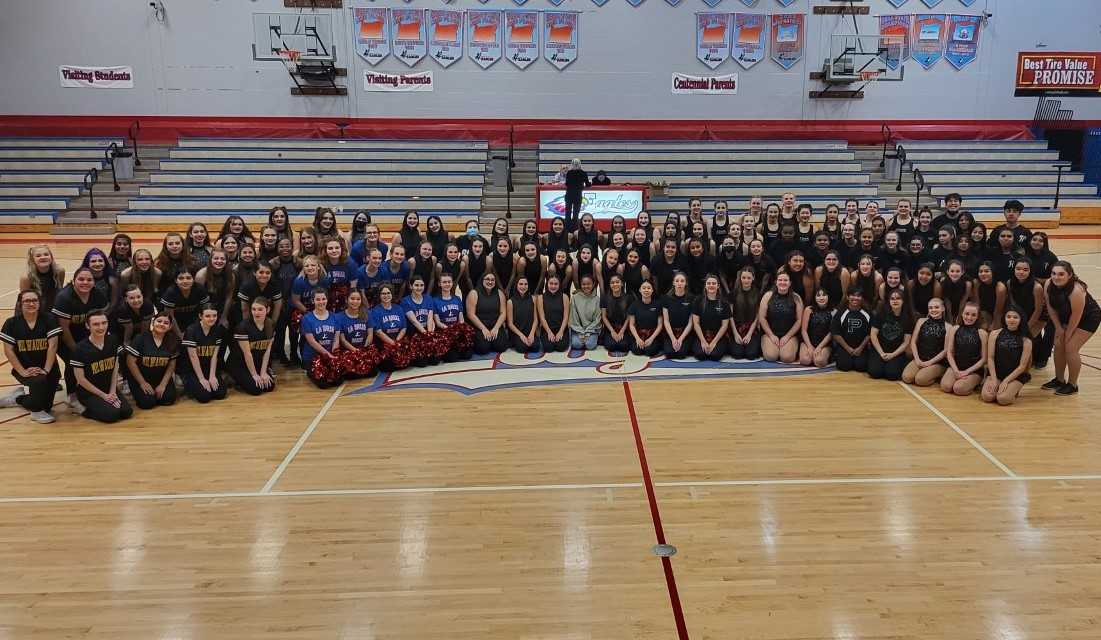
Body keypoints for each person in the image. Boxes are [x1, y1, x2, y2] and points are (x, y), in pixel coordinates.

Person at [51, 267, 109, 413]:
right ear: (73, 281)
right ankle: (72, 397)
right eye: (81, 279)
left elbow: (101, 319)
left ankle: (91, 389)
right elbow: (64, 328)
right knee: (73, 362)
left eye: (89, 280)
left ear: (94, 282)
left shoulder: (97, 294)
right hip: (65, 337)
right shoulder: (64, 297)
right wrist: (76, 349)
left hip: (86, 335)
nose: (85, 282)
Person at [0, 290, 62, 423]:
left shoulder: (49, 319)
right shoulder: (11, 323)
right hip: (25, 368)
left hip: (49, 368)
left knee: (46, 406)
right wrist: (22, 371)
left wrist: (46, 370)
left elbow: (53, 346)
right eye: (27, 301)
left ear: (39, 303)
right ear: (20, 304)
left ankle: (18, 398)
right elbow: (8, 350)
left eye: (34, 300)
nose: (31, 304)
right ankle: (36, 413)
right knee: (38, 386)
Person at [1042, 261, 1101, 396]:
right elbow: (1051, 308)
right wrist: (1058, 328)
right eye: (1054, 273)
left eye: (1061, 274)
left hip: (1087, 319)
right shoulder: (1048, 284)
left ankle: (1073, 385)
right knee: (1058, 345)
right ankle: (1059, 380)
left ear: (1070, 275)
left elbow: (1076, 316)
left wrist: (1067, 335)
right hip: (1065, 316)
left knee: (1070, 348)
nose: (1056, 277)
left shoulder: (1076, 291)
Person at [68, 310, 132, 423]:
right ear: (87, 326)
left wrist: (113, 391)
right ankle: (82, 410)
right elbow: (80, 380)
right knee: (112, 415)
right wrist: (103, 396)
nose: (101, 327)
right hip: (89, 393)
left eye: (104, 323)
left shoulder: (113, 340)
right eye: (96, 324)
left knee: (126, 412)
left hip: (108, 388)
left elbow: (115, 368)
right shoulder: (80, 348)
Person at [124, 313, 179, 409]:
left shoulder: (173, 340)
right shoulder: (140, 338)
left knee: (168, 399)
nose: (162, 324)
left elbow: (171, 365)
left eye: (166, 323)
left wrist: (163, 384)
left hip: (160, 377)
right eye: (159, 321)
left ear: (170, 326)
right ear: (153, 322)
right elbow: (130, 362)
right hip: (141, 377)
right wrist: (142, 383)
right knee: (147, 403)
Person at [982, 307, 1033, 406]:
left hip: (1014, 376)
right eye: (1008, 317)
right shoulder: (994, 334)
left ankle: (1014, 390)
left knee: (1002, 399)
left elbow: (1022, 366)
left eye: (1015, 317)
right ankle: (1002, 386)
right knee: (987, 397)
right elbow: (990, 358)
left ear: (1021, 319)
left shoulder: (1026, 341)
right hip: (997, 373)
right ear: (1004, 318)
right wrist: (994, 379)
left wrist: (1006, 381)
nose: (1011, 319)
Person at [1008, 256, 1051, 369]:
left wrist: (1026, 326)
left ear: (1030, 271)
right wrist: (1017, 321)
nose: (1021, 272)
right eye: (1018, 269)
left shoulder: (1037, 287)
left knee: (1028, 337)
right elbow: (1013, 304)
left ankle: (1034, 362)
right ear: (1014, 269)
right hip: (1023, 313)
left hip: (1040, 315)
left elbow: (1038, 310)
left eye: (1025, 269)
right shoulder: (1009, 283)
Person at [227, 298, 276, 395]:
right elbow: (247, 354)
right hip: (240, 364)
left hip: (256, 362)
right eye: (254, 309)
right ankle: (234, 378)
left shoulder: (271, 324)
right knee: (256, 389)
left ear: (268, 310)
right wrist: (254, 375)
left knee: (269, 386)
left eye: (260, 309)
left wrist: (263, 372)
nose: (256, 312)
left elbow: (267, 351)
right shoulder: (242, 327)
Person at [180, 305, 228, 403]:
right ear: (200, 316)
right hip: (192, 369)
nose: (212, 319)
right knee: (204, 397)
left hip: (207, 367)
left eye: (214, 316)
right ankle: (186, 383)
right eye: (208, 316)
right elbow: (193, 357)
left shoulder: (217, 330)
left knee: (220, 394)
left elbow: (214, 356)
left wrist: (212, 376)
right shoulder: (191, 330)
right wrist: (201, 379)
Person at [940, 301, 988, 396]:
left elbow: (984, 359)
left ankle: (976, 382)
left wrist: (967, 372)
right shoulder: (955, 329)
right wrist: (955, 370)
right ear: (962, 314)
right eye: (967, 314)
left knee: (958, 389)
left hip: (973, 370)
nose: (969, 317)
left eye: (973, 315)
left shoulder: (982, 333)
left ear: (977, 317)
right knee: (946, 386)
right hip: (956, 366)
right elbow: (949, 352)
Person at [299, 289, 343, 388]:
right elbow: (312, 342)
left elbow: (336, 339)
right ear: (313, 301)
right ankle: (309, 372)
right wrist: (327, 355)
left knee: (338, 381)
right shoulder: (307, 318)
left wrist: (333, 355)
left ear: (327, 300)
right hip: (313, 357)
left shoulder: (335, 317)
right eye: (318, 299)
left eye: (323, 299)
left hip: (330, 355)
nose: (321, 302)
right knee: (323, 384)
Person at [867, 289, 913, 381]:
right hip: (880, 350)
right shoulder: (881, 314)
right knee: (875, 372)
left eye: (898, 298)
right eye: (892, 299)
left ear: (903, 301)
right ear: (889, 301)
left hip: (896, 352)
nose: (895, 301)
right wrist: (881, 353)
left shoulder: (908, 318)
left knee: (892, 375)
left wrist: (892, 355)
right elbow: (873, 335)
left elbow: (906, 342)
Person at [903, 297, 949, 386]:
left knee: (920, 380)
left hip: (936, 362)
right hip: (920, 358)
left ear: (943, 308)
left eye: (936, 307)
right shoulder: (921, 321)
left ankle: (939, 374)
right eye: (930, 308)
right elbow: (913, 342)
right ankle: (924, 370)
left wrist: (929, 363)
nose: (933, 310)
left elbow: (945, 351)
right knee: (907, 377)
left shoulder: (948, 327)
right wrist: (917, 359)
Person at [402, 275, 443, 367]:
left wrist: (430, 334)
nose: (419, 288)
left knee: (435, 361)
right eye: (416, 285)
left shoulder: (428, 298)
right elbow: (414, 321)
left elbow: (430, 317)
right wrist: (425, 334)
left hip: (427, 330)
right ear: (411, 286)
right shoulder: (405, 301)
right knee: (422, 363)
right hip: (415, 332)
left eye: (421, 285)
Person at [431, 274, 474, 361]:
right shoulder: (434, 300)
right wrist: (449, 330)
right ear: (439, 284)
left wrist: (458, 330)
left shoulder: (457, 299)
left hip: (457, 332)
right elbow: (438, 322)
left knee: (467, 355)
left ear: (452, 283)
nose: (447, 284)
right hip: (444, 332)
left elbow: (461, 319)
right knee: (452, 358)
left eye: (449, 282)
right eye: (444, 282)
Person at [466, 272, 509, 355]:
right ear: (482, 280)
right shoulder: (474, 293)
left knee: (501, 347)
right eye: (487, 279)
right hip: (480, 326)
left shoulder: (500, 293)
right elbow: (470, 314)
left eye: (492, 280)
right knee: (483, 349)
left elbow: (503, 313)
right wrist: (484, 329)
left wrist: (496, 328)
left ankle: (492, 341)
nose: (490, 282)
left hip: (495, 325)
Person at [159, 269, 210, 339]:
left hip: (195, 322)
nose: (185, 281)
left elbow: (206, 312)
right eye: (181, 278)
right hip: (175, 324)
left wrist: (200, 330)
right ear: (176, 281)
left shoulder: (200, 289)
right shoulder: (170, 293)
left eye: (188, 278)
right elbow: (170, 317)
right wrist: (180, 335)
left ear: (193, 279)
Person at [832, 288, 872, 372]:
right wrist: (848, 348)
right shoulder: (840, 313)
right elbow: (836, 333)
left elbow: (870, 333)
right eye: (853, 295)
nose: (855, 298)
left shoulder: (867, 313)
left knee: (861, 366)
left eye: (858, 296)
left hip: (861, 347)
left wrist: (860, 348)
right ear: (847, 297)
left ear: (862, 298)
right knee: (844, 366)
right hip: (845, 346)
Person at [691, 275, 730, 361]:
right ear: (705, 285)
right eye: (708, 283)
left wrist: (714, 342)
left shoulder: (724, 303)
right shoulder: (698, 301)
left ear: (718, 286)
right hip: (702, 335)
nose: (711, 285)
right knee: (700, 355)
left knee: (715, 356)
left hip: (718, 336)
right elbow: (696, 323)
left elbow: (724, 326)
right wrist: (703, 341)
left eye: (713, 283)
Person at [20, 245, 66, 313]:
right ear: (32, 260)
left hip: (54, 308)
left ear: (51, 257)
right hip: (35, 310)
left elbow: (59, 291)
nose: (43, 257)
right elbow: (25, 300)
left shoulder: (60, 271)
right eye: (38, 256)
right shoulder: (26, 278)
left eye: (46, 254)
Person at [729, 267, 761, 360]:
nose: (746, 280)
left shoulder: (758, 294)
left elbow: (757, 316)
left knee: (751, 355)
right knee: (737, 354)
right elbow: (730, 316)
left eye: (749, 278)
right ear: (740, 278)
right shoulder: (733, 293)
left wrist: (749, 334)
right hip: (737, 328)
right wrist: (735, 334)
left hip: (752, 329)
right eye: (743, 278)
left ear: (753, 278)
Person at [661, 272, 695, 359]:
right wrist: (673, 338)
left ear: (686, 283)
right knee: (669, 353)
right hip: (671, 332)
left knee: (681, 354)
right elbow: (666, 321)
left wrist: (681, 339)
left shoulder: (691, 298)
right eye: (677, 281)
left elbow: (690, 323)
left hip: (685, 332)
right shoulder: (666, 298)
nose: (679, 283)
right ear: (673, 283)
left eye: (682, 281)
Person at [627, 280, 663, 357]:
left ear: (652, 290)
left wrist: (651, 338)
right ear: (640, 290)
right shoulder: (634, 305)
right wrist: (637, 338)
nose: (646, 290)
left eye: (649, 288)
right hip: (639, 334)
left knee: (650, 351)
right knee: (637, 351)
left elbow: (660, 325)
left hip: (653, 334)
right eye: (644, 288)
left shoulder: (658, 304)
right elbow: (631, 325)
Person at [799, 288, 834, 368]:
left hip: (825, 344)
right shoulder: (808, 310)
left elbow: (831, 333)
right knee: (805, 360)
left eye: (824, 295)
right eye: (818, 295)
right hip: (808, 341)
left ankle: (828, 355)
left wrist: (819, 347)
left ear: (828, 296)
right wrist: (809, 346)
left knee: (819, 361)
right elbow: (804, 330)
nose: (821, 298)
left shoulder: (833, 311)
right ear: (814, 298)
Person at [537, 274, 571, 353]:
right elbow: (542, 318)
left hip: (561, 328)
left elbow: (566, 317)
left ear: (559, 285)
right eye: (551, 283)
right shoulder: (540, 298)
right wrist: (549, 332)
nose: (553, 286)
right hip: (547, 329)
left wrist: (561, 332)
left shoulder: (565, 297)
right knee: (548, 348)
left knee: (561, 347)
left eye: (556, 284)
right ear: (547, 284)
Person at [600, 274, 634, 354]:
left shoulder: (629, 298)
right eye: (612, 283)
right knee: (610, 346)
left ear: (622, 284)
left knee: (624, 346)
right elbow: (604, 317)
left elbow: (628, 317)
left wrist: (622, 331)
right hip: (610, 328)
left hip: (624, 328)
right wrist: (612, 331)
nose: (615, 284)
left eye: (617, 282)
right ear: (609, 285)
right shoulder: (605, 298)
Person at [507, 276, 540, 354]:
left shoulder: (533, 299)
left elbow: (535, 320)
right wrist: (521, 335)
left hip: (529, 331)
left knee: (535, 347)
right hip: (517, 333)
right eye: (521, 284)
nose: (523, 286)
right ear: (516, 285)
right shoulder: (510, 302)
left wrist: (532, 334)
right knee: (522, 348)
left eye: (525, 284)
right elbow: (510, 324)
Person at [569, 274, 602, 351]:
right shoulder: (575, 298)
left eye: (588, 284)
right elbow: (573, 317)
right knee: (576, 344)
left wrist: (587, 333)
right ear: (580, 285)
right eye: (583, 284)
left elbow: (597, 319)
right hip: (577, 329)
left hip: (592, 330)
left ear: (593, 284)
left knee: (590, 345)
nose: (586, 286)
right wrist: (581, 333)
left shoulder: (597, 299)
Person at [972, 261, 1006, 331]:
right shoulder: (976, 283)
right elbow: (976, 304)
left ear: (993, 272)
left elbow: (998, 311)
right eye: (980, 271)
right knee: (981, 328)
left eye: (986, 271)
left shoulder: (1000, 287)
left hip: (998, 312)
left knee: (993, 330)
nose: (983, 274)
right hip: (983, 311)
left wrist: (994, 324)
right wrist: (979, 320)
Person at [563, 158, 590, 232]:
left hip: (569, 195)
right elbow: (587, 184)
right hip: (578, 195)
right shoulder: (583, 173)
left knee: (568, 213)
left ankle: (567, 229)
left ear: (572, 164)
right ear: (580, 164)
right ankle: (574, 229)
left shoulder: (569, 173)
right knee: (576, 213)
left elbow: (567, 184)